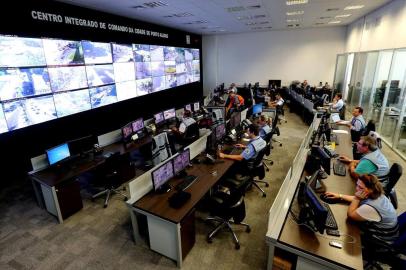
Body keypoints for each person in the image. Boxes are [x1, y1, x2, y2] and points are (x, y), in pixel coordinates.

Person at [324, 174, 398, 243]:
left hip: (382, 238)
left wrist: (357, 198)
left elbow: (351, 215)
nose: (357, 189)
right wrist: (340, 196)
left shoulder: (370, 208)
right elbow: (361, 199)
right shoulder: (378, 194)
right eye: (357, 185)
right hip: (390, 231)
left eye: (360, 187)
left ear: (370, 190)